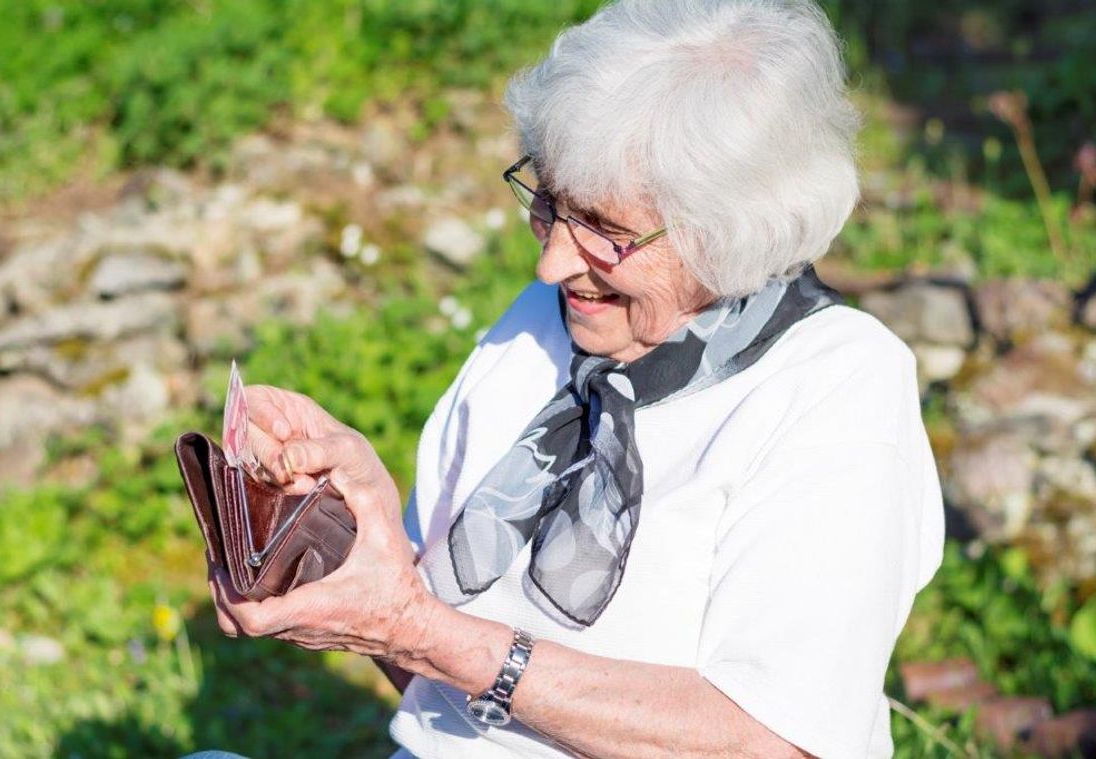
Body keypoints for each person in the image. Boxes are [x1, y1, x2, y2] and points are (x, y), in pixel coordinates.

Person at [208, 0, 945, 756]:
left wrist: (416, 628)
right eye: (550, 206)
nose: (551, 263)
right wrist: (353, 526)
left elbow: (775, 741)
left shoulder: (835, 385)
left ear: (731, 230)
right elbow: (438, 684)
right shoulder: (543, 321)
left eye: (606, 232)